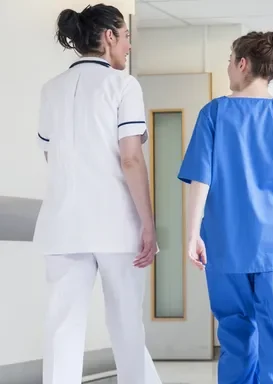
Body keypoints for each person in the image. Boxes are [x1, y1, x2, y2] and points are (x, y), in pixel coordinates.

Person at [177, 31, 273, 384]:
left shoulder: (214, 113)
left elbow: (201, 181)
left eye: (230, 61)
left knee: (235, 335)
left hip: (226, 245)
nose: (229, 69)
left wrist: (192, 235)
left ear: (242, 63)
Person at [33, 5, 161, 384]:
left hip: (62, 224)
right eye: (125, 37)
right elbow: (132, 159)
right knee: (125, 324)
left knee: (62, 328)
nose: (129, 46)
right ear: (109, 37)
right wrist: (148, 224)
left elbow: (49, 153)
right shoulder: (123, 86)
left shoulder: (51, 89)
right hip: (116, 224)